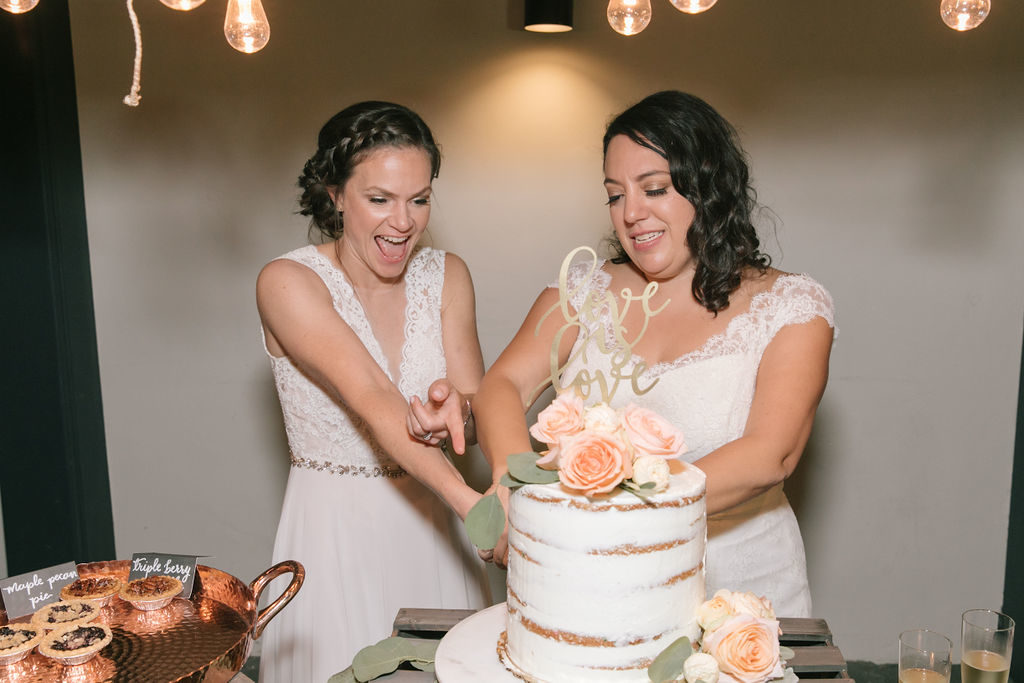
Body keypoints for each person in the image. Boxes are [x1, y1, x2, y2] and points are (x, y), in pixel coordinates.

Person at [412, 91, 835, 617]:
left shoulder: (791, 306)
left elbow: (772, 454)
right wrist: (509, 481)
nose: (631, 214)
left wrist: (606, 513)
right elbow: (502, 387)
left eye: (653, 188)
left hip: (735, 586)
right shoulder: (582, 289)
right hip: (591, 583)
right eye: (615, 195)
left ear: (707, 185)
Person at [256, 101, 489, 683]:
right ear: (335, 194)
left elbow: (477, 407)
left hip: (435, 533)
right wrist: (475, 508)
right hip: (334, 536)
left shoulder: (449, 275)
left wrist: (454, 411)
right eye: (379, 199)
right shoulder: (287, 282)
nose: (404, 222)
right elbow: (373, 398)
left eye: (420, 198)